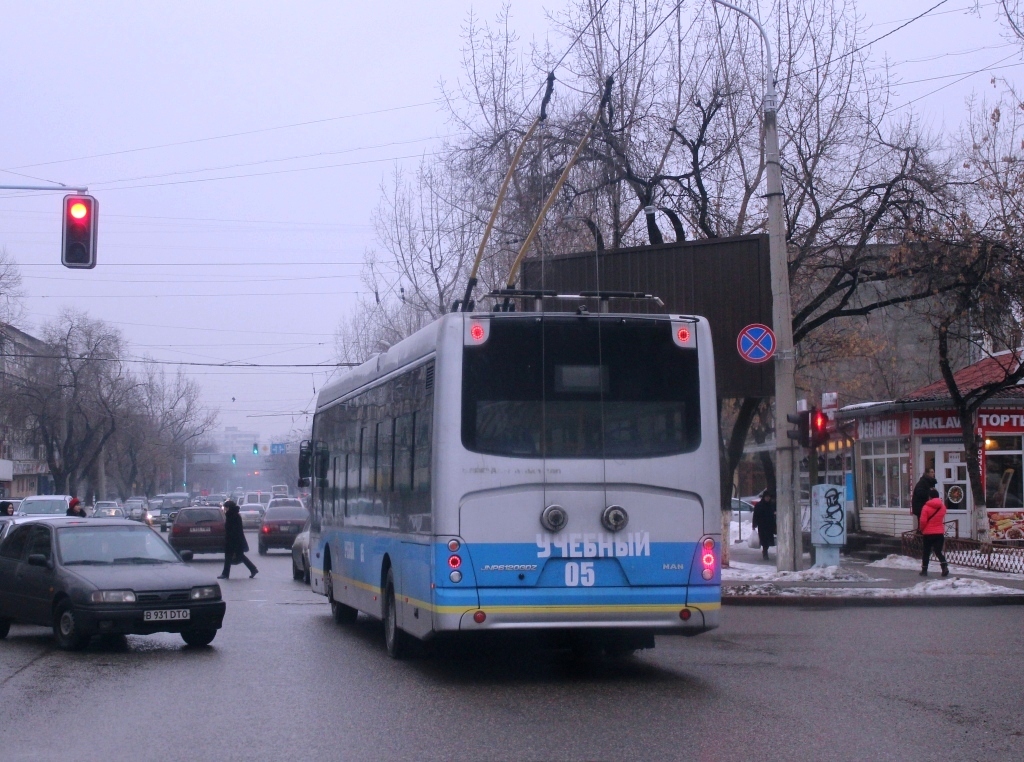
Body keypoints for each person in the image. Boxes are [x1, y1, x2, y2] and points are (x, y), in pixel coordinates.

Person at [219, 500, 258, 579]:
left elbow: (233, 530)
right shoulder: (234, 515)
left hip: (233, 540)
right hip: (236, 540)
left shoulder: (232, 516)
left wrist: (230, 539)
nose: (225, 509)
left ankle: (225, 574)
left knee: (229, 557)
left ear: (229, 507)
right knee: (240, 556)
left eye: (226, 508)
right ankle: (253, 569)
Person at [919, 487, 949, 577]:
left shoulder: (926, 507)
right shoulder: (942, 507)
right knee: (938, 551)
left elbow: (923, 521)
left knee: (926, 552)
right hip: (939, 532)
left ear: (930, 497)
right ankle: (944, 567)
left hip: (928, 533)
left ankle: (924, 570)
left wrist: (922, 529)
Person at [751, 490, 777, 560]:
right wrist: (754, 524)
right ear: (764, 497)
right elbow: (755, 515)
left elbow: (773, 514)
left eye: (768, 497)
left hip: (770, 525)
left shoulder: (771, 505)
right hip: (762, 526)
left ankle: (765, 550)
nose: (768, 498)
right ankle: (765, 552)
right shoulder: (759, 505)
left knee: (768, 540)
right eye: (766, 497)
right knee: (764, 540)